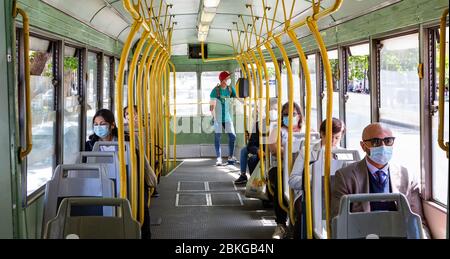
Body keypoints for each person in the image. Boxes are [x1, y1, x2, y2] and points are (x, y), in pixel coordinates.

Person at [331, 122, 430, 238]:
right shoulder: (345, 177)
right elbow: (339, 223)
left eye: (388, 141)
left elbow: (417, 221)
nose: (383, 146)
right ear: (363, 146)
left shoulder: (406, 175)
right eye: (376, 142)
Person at [85, 108, 156, 239]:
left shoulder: (127, 141)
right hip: (103, 184)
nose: (99, 127)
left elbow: (139, 164)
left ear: (112, 125)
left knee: (141, 207)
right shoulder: (90, 145)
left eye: (102, 124)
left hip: (130, 180)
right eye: (96, 124)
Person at [288, 118, 345, 239]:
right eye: (330, 137)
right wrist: (315, 179)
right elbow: (293, 180)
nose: (333, 142)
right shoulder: (307, 152)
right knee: (305, 212)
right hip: (309, 193)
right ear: (322, 134)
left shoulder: (345, 154)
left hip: (334, 195)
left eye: (337, 138)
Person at [267, 102, 304, 239]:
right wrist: (299, 155)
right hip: (280, 167)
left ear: (299, 116)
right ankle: (281, 224)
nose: (289, 117)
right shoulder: (276, 130)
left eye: (293, 114)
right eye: (285, 115)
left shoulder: (307, 130)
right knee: (280, 178)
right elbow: (274, 149)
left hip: (301, 168)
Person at [235, 98, 278, 184]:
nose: (273, 112)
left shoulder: (283, 126)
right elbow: (251, 144)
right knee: (252, 159)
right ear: (266, 111)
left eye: (276, 109)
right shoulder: (259, 124)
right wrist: (258, 151)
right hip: (263, 153)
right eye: (271, 109)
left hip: (278, 155)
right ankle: (255, 182)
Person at [124, 105, 160, 198]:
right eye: (127, 114)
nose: (130, 116)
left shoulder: (145, 129)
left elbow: (147, 146)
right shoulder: (122, 131)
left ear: (138, 115)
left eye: (133, 113)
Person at [210, 71, 237, 166]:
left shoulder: (230, 89)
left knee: (233, 136)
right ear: (223, 80)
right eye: (227, 79)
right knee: (218, 137)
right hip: (218, 117)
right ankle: (219, 158)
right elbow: (212, 107)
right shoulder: (215, 91)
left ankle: (230, 157)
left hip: (227, 117)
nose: (229, 80)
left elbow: (236, 98)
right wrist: (214, 117)